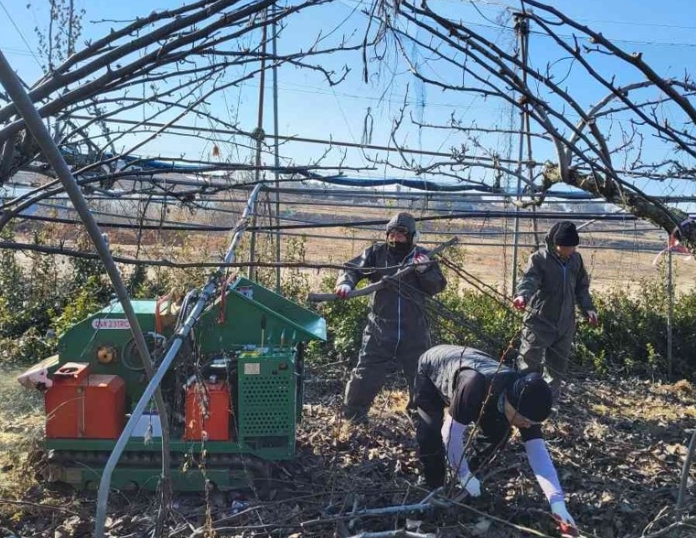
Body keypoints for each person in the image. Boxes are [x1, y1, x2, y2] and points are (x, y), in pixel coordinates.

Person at [414, 344, 577, 535]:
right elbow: (450, 434)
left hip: (482, 389)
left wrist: (557, 503)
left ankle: (466, 484)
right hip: (435, 367)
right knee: (430, 433)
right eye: (525, 420)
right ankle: (435, 488)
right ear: (513, 405)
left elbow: (539, 455)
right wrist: (463, 475)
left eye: (532, 423)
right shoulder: (474, 385)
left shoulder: (526, 402)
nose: (527, 426)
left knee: (499, 431)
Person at [334, 212, 447, 423]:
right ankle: (353, 416)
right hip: (380, 327)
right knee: (367, 372)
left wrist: (425, 270)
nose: (395, 239)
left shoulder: (423, 257)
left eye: (401, 235)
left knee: (421, 373)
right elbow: (352, 269)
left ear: (412, 236)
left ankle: (419, 415)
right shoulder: (376, 253)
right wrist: (345, 283)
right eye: (392, 235)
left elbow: (437, 286)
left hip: (414, 328)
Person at [513, 221, 597, 403]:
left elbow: (582, 288)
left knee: (556, 370)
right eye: (567, 247)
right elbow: (529, 280)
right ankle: (522, 402)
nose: (571, 250)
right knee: (528, 365)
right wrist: (522, 296)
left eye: (573, 247)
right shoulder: (539, 259)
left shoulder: (576, 260)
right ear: (556, 244)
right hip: (539, 322)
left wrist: (589, 310)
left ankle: (548, 405)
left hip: (565, 324)